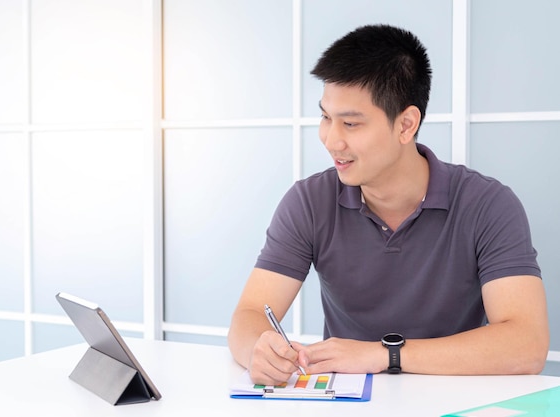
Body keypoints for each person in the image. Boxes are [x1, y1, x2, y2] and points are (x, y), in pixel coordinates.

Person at [227, 24, 549, 386]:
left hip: (456, 398)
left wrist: (385, 355)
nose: (331, 140)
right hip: (347, 402)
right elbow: (249, 315)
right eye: (325, 117)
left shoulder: (488, 205)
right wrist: (261, 348)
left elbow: (527, 345)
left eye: (350, 123)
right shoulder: (308, 201)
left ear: (406, 125)